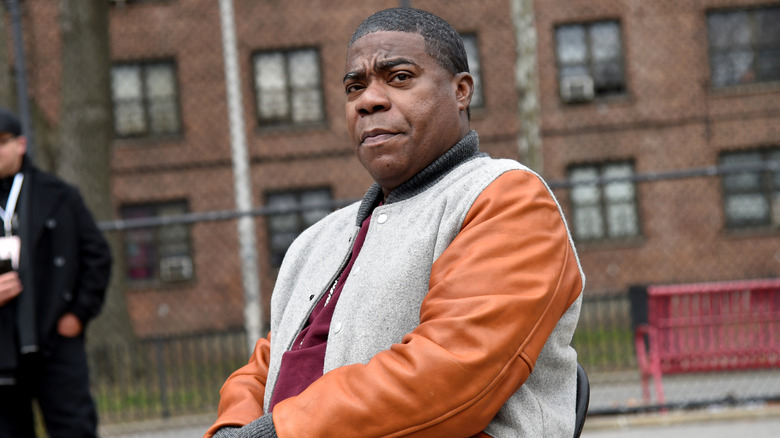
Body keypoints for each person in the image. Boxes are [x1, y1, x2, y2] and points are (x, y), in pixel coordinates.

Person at [206, 7, 584, 438]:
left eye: (400, 77)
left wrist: (277, 432)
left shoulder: (506, 199)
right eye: (355, 87)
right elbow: (266, 366)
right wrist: (232, 428)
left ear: (461, 91)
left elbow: (450, 373)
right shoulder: (317, 240)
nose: (369, 100)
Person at [0, 107, 113, 438]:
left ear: (20, 144)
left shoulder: (58, 194)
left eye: (2, 142)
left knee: (73, 428)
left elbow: (97, 256)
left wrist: (77, 314)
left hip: (53, 341)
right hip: (2, 348)